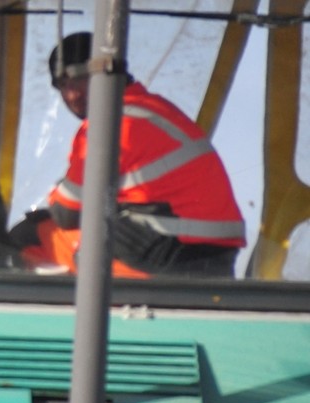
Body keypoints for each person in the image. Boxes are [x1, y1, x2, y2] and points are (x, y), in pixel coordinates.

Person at [14, 32, 245, 277]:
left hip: (172, 254)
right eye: (63, 85)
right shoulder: (153, 110)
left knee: (33, 235)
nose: (72, 95)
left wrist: (59, 191)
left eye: (80, 80)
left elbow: (66, 213)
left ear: (109, 74)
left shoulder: (111, 122)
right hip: (210, 256)